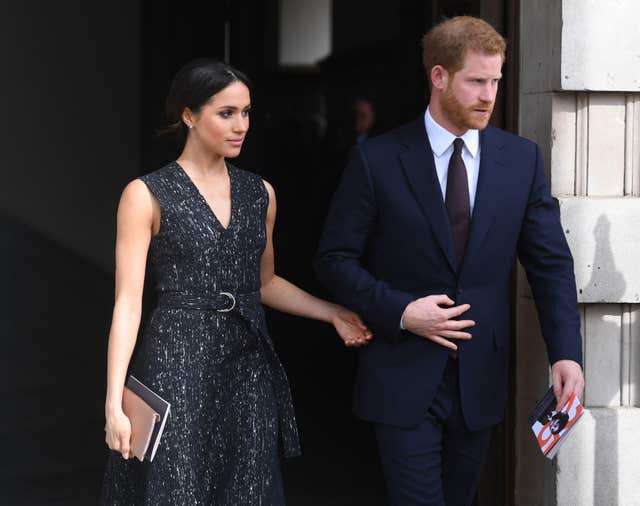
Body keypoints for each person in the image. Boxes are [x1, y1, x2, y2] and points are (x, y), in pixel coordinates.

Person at [315, 16, 585, 506]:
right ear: (439, 77)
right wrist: (400, 310)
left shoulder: (521, 160)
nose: (489, 94)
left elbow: (550, 265)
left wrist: (566, 351)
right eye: (476, 81)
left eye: (496, 81)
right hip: (400, 376)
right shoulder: (377, 160)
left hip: (480, 380)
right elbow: (334, 260)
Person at [101, 58, 371, 505]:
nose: (240, 125)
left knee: (250, 490)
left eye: (246, 113)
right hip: (175, 365)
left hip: (248, 367)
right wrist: (114, 402)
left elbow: (263, 282)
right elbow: (128, 303)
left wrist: (333, 312)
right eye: (226, 113)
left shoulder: (259, 193)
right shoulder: (145, 194)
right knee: (176, 490)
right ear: (188, 115)